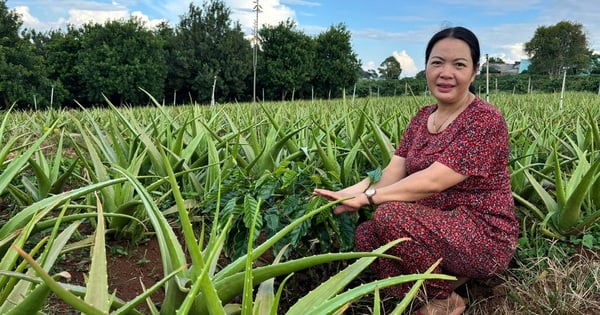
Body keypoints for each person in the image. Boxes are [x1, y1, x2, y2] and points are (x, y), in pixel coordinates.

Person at [313, 26, 519, 315]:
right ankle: (444, 282)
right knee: (366, 236)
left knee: (389, 215)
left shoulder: (485, 120)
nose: (446, 73)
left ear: (474, 72)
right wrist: (344, 194)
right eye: (437, 62)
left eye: (459, 64)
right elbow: (392, 173)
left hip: (481, 236)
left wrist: (368, 198)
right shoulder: (422, 118)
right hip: (436, 228)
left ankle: (445, 299)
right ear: (426, 68)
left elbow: (433, 180)